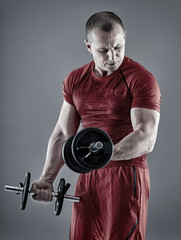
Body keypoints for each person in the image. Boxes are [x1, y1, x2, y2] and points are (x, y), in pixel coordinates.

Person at [31, 11, 161, 240]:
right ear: (89, 47)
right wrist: (47, 179)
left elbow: (145, 136)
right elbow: (63, 133)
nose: (112, 56)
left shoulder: (140, 79)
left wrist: (100, 155)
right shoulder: (75, 79)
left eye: (118, 47)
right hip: (89, 174)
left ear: (125, 38)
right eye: (103, 50)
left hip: (126, 174)